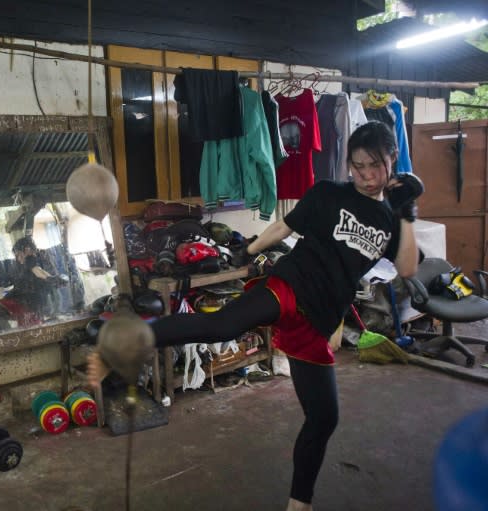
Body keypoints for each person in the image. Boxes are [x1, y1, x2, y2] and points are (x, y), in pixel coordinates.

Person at [87, 121, 423, 511]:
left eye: (375, 166)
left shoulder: (391, 218)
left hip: (319, 319)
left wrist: (408, 212)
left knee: (324, 418)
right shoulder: (330, 193)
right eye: (358, 165)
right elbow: (284, 226)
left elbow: (409, 267)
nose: (365, 175)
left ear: (391, 159)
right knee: (221, 325)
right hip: (291, 286)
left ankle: (300, 504)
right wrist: (248, 249)